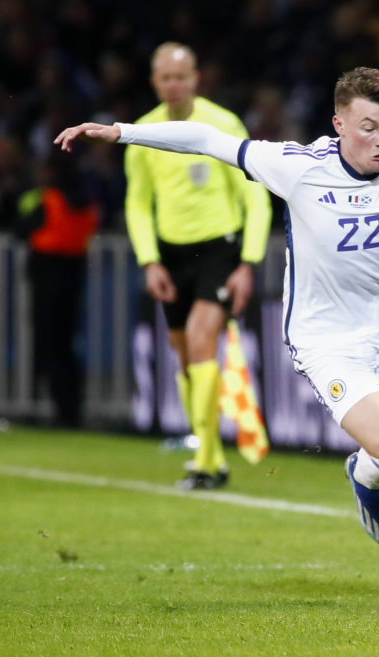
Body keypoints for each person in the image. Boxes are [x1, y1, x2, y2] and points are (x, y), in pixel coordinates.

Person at [55, 66, 379, 604]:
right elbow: (207, 139)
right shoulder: (297, 166)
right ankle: (365, 478)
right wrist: (123, 131)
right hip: (325, 338)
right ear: (338, 123)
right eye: (369, 127)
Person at [123, 42, 272, 490]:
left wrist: (248, 261)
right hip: (171, 253)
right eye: (165, 78)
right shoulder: (143, 133)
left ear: (195, 78)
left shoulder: (222, 124)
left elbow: (254, 194)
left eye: (180, 77)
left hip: (218, 248)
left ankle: (205, 462)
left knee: (201, 338)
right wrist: (149, 260)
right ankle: (212, 453)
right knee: (186, 358)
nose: (173, 85)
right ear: (155, 82)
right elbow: (137, 204)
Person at [16, 152, 100, 426]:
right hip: (73, 279)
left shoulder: (49, 200)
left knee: (49, 346)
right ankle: (69, 406)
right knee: (66, 346)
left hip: (47, 280)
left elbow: (20, 229)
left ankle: (56, 408)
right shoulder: (86, 201)